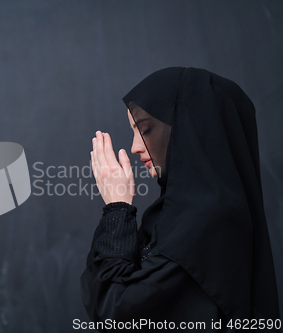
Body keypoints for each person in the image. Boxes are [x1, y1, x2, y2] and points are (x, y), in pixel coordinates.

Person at [81, 67, 280, 332]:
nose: (135, 147)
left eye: (145, 129)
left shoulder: (208, 218)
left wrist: (117, 209)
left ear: (189, 127)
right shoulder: (176, 214)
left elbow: (116, 314)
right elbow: (99, 294)